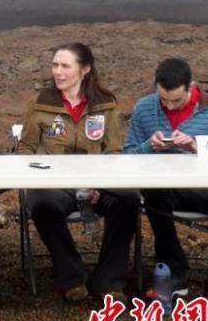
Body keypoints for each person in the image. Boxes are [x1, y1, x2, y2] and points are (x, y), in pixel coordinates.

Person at [124, 58, 208, 300]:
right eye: (163, 99)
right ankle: (174, 270)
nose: (170, 106)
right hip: (162, 188)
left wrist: (196, 147)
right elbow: (128, 156)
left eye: (176, 100)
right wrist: (149, 146)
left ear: (191, 86)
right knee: (154, 192)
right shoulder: (144, 108)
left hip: (205, 187)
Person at [17, 42, 139, 302]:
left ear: (84, 70)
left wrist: (99, 183)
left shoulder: (105, 104)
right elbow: (26, 147)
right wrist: (39, 172)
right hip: (56, 185)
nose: (57, 71)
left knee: (127, 199)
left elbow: (113, 151)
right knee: (42, 203)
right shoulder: (41, 103)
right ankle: (71, 277)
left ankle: (109, 280)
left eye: (65, 66)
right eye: (55, 65)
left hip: (97, 184)